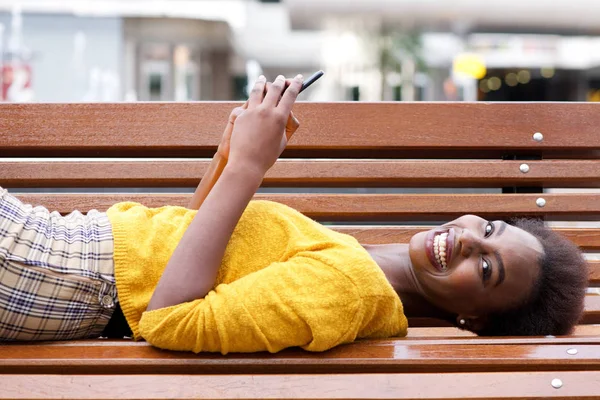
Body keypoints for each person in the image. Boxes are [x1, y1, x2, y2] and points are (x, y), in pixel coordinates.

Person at [0, 75, 589, 353]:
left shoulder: (348, 289)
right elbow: (199, 248)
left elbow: (170, 320)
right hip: (60, 258)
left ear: (475, 321)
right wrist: (234, 153)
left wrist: (248, 170)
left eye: (486, 270)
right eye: (487, 230)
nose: (466, 242)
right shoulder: (357, 266)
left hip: (65, 277)